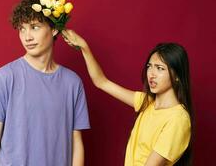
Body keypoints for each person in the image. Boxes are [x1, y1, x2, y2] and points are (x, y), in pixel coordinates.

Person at [0, 0, 90, 166]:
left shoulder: (73, 83)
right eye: (22, 29)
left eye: (34, 27)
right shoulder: (4, 78)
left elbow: (76, 143)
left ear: (54, 29)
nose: (26, 36)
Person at [62, 29, 194, 166]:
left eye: (160, 68)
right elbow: (101, 82)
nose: (152, 74)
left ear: (177, 76)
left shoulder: (178, 119)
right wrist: (84, 46)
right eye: (150, 66)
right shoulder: (147, 102)